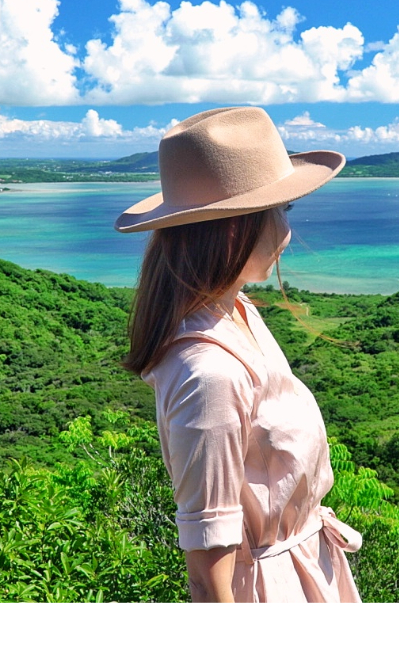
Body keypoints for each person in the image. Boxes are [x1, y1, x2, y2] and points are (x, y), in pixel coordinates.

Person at [115, 106, 362, 603]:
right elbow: (208, 580)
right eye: (281, 210)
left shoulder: (238, 311)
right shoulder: (210, 374)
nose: (286, 231)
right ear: (234, 229)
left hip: (303, 572)